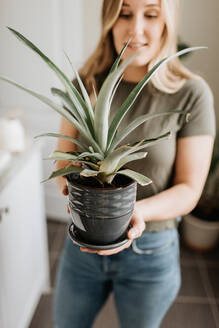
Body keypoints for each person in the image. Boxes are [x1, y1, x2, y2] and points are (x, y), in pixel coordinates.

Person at [52, 0, 216, 327]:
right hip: (83, 245)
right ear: (109, 21)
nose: (135, 28)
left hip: (150, 252)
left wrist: (133, 212)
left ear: (167, 23)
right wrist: (74, 192)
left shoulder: (192, 93)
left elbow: (189, 189)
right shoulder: (85, 82)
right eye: (124, 13)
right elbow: (62, 162)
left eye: (151, 14)